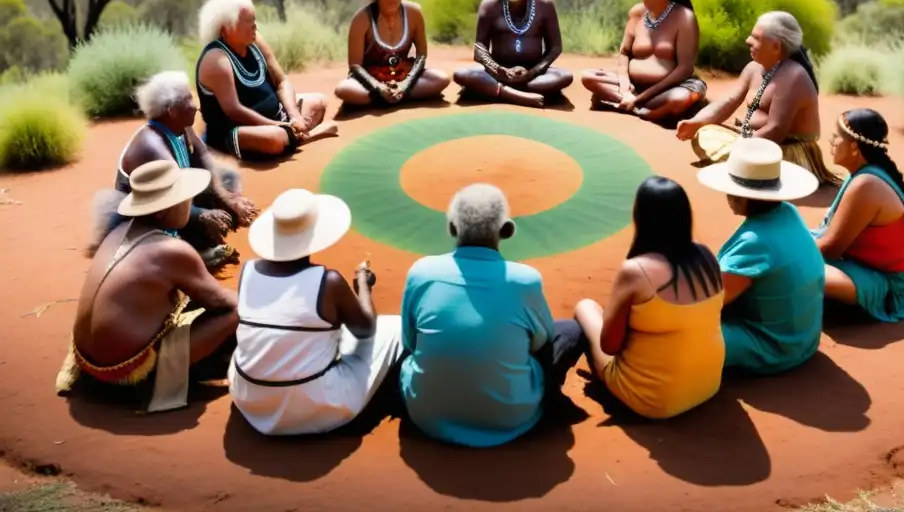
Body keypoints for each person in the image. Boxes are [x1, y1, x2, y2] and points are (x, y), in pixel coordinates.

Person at [399, 183, 585, 447]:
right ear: (507, 230)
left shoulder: (421, 272)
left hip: (426, 418)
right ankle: (548, 401)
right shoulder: (525, 280)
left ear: (452, 228)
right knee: (570, 331)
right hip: (511, 417)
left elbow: (409, 342)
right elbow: (541, 342)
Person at [56, 161, 239, 412]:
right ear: (162, 211)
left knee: (194, 302)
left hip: (88, 362)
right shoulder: (172, 250)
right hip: (126, 372)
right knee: (238, 312)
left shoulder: (118, 231)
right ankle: (165, 379)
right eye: (184, 199)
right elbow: (228, 304)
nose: (189, 203)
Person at [228, 188, 403, 436]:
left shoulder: (248, 271)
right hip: (313, 407)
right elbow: (365, 329)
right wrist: (363, 285)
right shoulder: (327, 281)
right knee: (394, 328)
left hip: (251, 401)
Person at [574, 176, 725, 419]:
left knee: (586, 307)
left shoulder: (636, 271)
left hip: (654, 401)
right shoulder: (706, 256)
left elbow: (610, 346)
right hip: (708, 385)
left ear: (641, 217)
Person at [89, 71, 259, 270]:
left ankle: (198, 241)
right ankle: (189, 256)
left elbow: (203, 159)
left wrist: (227, 199)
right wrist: (203, 214)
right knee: (198, 215)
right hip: (151, 212)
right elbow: (171, 201)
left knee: (227, 177)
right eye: (188, 99)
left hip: (179, 195)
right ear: (171, 110)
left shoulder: (180, 127)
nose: (195, 106)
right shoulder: (152, 146)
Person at [696, 138, 825, 375]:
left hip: (776, 347)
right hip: (804, 338)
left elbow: (712, 301)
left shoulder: (754, 243)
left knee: (677, 338)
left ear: (742, 196)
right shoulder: (788, 212)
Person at [677, 10, 845, 186]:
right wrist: (697, 122)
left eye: (756, 38)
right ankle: (738, 163)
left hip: (783, 151)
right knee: (704, 133)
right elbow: (728, 101)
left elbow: (776, 130)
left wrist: (740, 148)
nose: (748, 41)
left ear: (776, 46)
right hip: (751, 141)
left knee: (731, 151)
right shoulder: (753, 68)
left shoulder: (793, 76)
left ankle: (741, 166)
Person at [812, 109, 904, 322]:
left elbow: (830, 249)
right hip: (858, 266)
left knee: (796, 269)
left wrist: (789, 252)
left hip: (884, 283)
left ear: (854, 147)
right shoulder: (863, 175)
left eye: (837, 136)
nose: (831, 141)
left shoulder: (866, 185)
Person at [195, 0, 337, 160]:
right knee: (274, 139)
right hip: (240, 129)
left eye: (254, 19)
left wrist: (294, 116)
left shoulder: (255, 40)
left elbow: (282, 81)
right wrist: (279, 125)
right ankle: (298, 136)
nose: (255, 25)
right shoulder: (216, 59)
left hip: (277, 118)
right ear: (227, 28)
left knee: (317, 102)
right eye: (248, 21)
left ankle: (294, 135)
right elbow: (235, 111)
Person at [581, 0, 705, 123]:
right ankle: (638, 106)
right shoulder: (637, 13)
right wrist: (625, 89)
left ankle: (639, 109)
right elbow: (624, 53)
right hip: (633, 86)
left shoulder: (685, 18)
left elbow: (685, 69)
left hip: (668, 88)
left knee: (680, 98)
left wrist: (640, 98)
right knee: (588, 77)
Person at [452, 0, 573, 108]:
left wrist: (533, 72)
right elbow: (479, 48)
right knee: (462, 74)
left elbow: (555, 48)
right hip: (498, 72)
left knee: (565, 76)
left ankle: (495, 90)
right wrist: (499, 70)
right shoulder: (490, 4)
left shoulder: (545, 4)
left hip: (533, 73)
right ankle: (515, 94)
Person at [334, 0, 451, 108]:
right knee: (343, 90)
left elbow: (421, 56)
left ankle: (393, 96)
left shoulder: (414, 13)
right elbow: (355, 66)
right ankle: (392, 96)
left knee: (441, 79)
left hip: (404, 75)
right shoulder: (361, 19)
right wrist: (378, 87)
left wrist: (406, 84)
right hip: (372, 79)